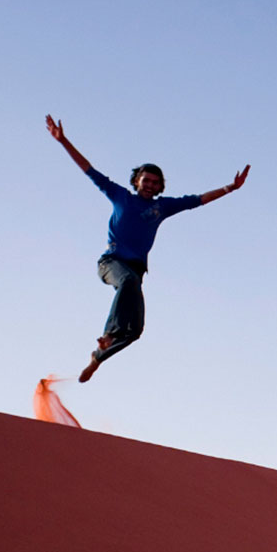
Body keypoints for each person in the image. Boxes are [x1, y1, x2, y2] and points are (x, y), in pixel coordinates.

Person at [45, 115, 250, 382]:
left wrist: (230, 188)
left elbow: (197, 200)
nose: (150, 185)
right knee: (127, 282)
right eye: (146, 180)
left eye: (155, 182)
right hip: (111, 264)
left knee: (135, 331)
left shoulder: (161, 207)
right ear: (137, 181)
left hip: (134, 272)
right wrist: (63, 141)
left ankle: (97, 357)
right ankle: (107, 335)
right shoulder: (120, 196)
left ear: (160, 186)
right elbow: (88, 169)